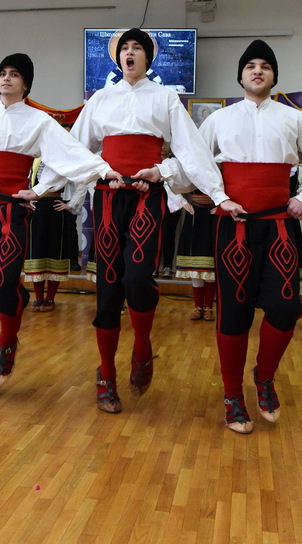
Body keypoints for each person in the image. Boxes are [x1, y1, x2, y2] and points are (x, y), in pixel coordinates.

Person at [71, 28, 239, 415]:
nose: (130, 53)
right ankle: (106, 374)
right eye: (124, 48)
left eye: (137, 48)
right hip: (109, 197)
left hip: (147, 198)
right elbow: (76, 148)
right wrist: (101, 171)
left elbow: (191, 151)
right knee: (108, 288)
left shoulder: (165, 98)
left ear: (148, 57)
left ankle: (142, 348)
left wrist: (169, 174)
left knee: (136, 277)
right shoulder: (100, 99)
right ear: (118, 58)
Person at [0, 53, 121, 401]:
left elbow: (69, 155)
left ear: (26, 84)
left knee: (5, 283)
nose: (6, 78)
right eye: (2, 73)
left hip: (11, 212)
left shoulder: (39, 121)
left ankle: (7, 345)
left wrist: (42, 189)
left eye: (14, 74)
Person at [199, 39, 302, 434]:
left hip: (279, 226)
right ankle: (232, 395)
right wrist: (219, 196)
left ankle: (264, 376)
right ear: (240, 76)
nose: (257, 71)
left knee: (285, 307)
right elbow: (195, 162)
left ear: (274, 76)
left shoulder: (295, 119)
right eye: (250, 66)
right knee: (234, 313)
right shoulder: (218, 120)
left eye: (265, 66)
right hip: (234, 228)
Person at [23, 159, 69, 312]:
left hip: (55, 207)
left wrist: (71, 204)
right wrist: (27, 200)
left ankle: (50, 297)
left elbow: (81, 182)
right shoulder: (34, 159)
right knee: (36, 251)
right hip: (36, 207)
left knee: (54, 251)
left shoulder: (60, 157)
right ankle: (38, 297)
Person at [175, 189, 216, 321]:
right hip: (194, 213)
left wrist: (221, 206)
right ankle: (198, 306)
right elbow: (169, 182)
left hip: (214, 213)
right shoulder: (190, 173)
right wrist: (182, 202)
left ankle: (209, 307)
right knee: (194, 262)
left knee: (210, 261)